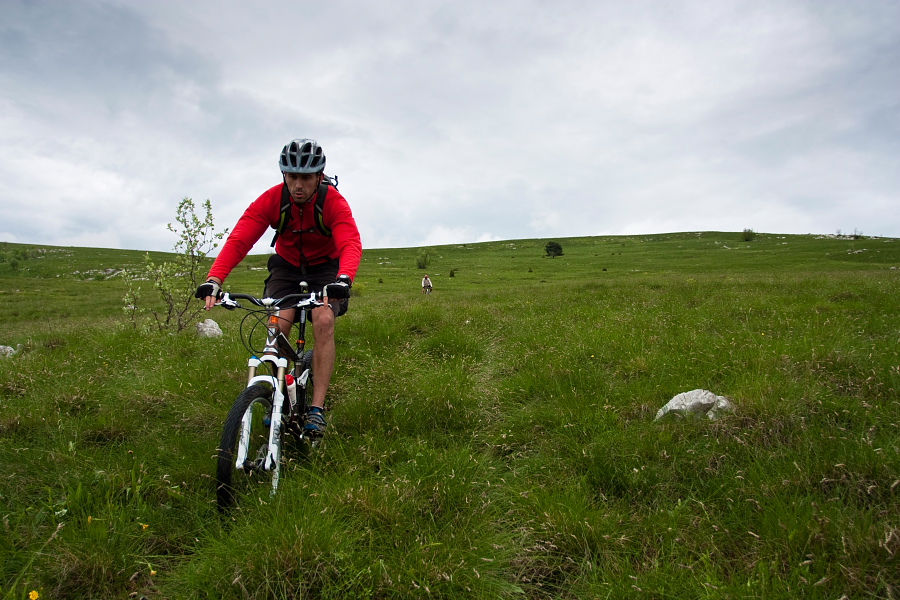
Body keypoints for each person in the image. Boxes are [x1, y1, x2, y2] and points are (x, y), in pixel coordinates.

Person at [195, 138, 362, 437]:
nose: (298, 184)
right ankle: (278, 395)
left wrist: (343, 279)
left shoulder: (332, 202)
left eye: (306, 177)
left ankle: (316, 411)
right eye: (291, 176)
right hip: (286, 267)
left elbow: (349, 242)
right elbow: (240, 239)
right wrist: (214, 280)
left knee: (323, 319)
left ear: (319, 177)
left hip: (325, 268)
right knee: (277, 323)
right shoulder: (272, 200)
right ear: (283, 174)